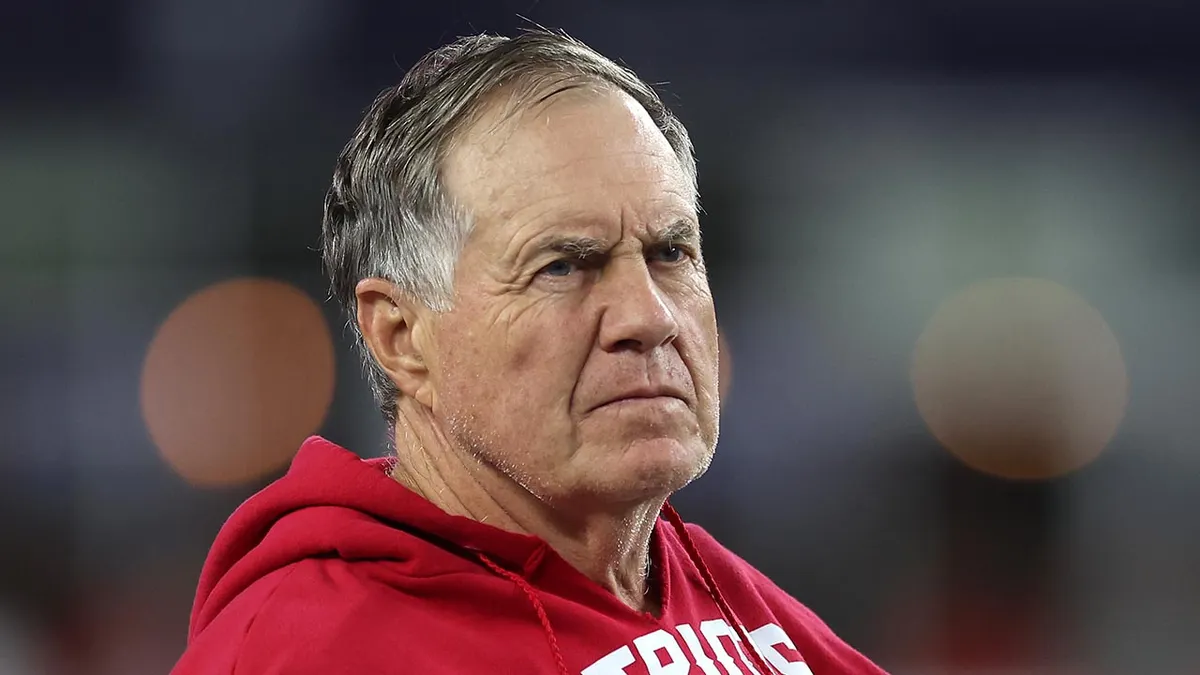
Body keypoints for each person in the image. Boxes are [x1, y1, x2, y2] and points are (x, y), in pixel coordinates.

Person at [172, 28, 889, 675]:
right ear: (402, 337)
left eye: (670, 252)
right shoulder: (310, 647)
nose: (648, 316)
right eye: (564, 266)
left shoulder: (738, 609)